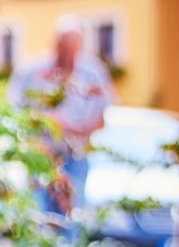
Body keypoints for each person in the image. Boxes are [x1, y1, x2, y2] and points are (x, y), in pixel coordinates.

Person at [7, 17, 115, 217]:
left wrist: (77, 129)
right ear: (55, 43)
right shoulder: (31, 70)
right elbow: (14, 111)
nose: (69, 55)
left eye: (74, 47)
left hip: (75, 156)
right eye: (65, 46)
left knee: (71, 216)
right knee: (36, 215)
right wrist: (46, 121)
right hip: (40, 157)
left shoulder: (93, 71)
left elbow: (102, 118)